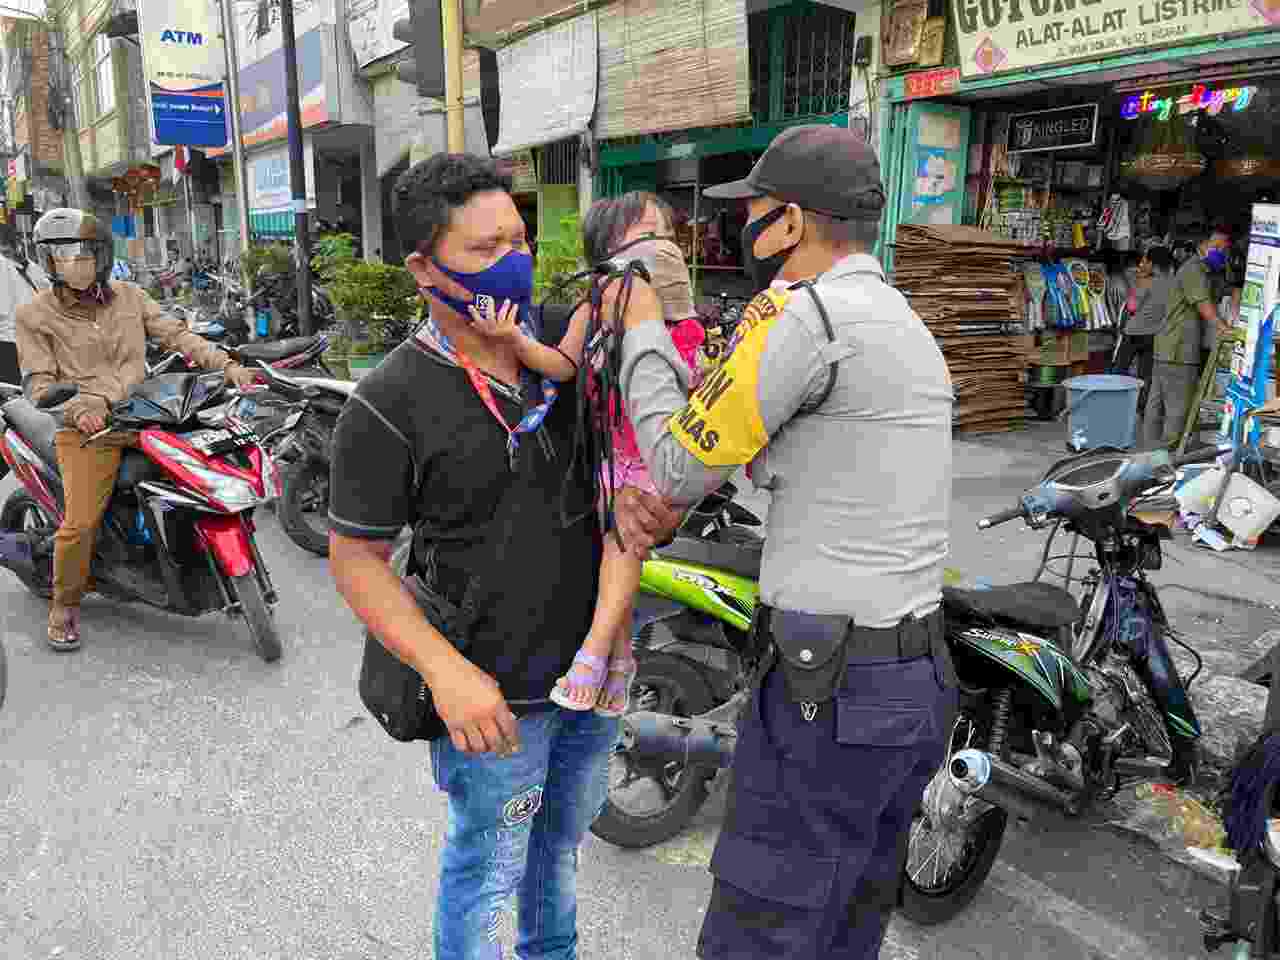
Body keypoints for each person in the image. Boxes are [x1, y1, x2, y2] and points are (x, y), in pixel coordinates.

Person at [612, 124, 958, 959]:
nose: (744, 229)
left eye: (756, 212)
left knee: (763, 926)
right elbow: (786, 450)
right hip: (908, 678)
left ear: (794, 222)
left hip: (831, 691)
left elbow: (672, 463)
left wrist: (642, 326)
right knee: (845, 915)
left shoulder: (812, 316)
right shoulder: (897, 318)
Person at [326, 154, 681, 960]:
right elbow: (357, 560)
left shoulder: (567, 335)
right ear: (423, 267)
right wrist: (446, 674)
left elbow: (645, 448)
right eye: (486, 251)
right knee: (487, 872)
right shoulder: (390, 401)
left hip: (594, 676)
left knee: (558, 854)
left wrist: (658, 499)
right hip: (493, 704)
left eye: (519, 239)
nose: (514, 262)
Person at [468, 190, 704, 716]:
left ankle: (593, 655)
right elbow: (562, 364)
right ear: (606, 254)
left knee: (624, 549)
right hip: (610, 464)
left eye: (665, 237)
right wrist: (512, 340)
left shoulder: (683, 318)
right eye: (644, 237)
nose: (660, 248)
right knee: (614, 560)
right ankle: (618, 668)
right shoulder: (595, 305)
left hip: (656, 461)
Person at [14, 208, 256, 652]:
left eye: (82, 253)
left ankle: (212, 570)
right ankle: (64, 607)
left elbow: (177, 336)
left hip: (148, 414)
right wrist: (76, 410)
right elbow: (39, 383)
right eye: (61, 256)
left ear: (101, 255)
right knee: (80, 524)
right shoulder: (34, 314)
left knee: (212, 475)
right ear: (48, 262)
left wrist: (227, 365)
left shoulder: (130, 296)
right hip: (89, 430)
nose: (73, 263)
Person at [1143, 228, 1234, 449]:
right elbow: (1204, 305)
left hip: (1169, 347)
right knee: (1177, 406)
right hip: (1178, 350)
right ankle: (1168, 454)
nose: (1222, 253)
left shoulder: (1199, 270)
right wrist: (1225, 330)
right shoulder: (1193, 270)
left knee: (1158, 402)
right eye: (1218, 248)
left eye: (1224, 250)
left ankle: (1151, 450)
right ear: (1204, 245)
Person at [1112, 245, 1175, 411]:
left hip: (1133, 332)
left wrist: (1135, 287)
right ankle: (1141, 406)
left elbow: (1132, 307)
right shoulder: (1174, 283)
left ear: (1153, 263)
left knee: (1120, 369)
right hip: (1154, 334)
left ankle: (1113, 401)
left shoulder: (1146, 281)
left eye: (1145, 260)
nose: (1142, 264)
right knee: (1145, 374)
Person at [0, 240, 49, 386]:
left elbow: (2, 310)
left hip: (8, 342)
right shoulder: (26, 267)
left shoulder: (9, 266)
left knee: (12, 396)